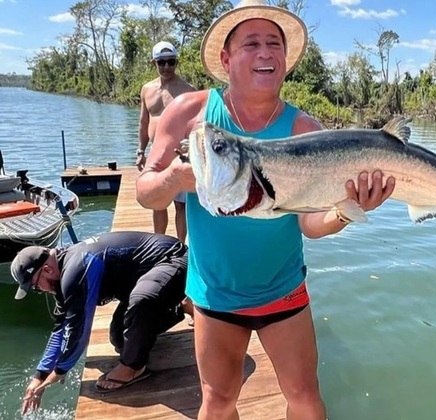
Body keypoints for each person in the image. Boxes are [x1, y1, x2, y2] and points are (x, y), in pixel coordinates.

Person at [136, 1, 395, 419]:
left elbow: (311, 223)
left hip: (283, 291)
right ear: (226, 58)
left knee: (305, 400)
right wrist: (177, 179)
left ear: (285, 60)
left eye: (274, 44)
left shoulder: (306, 131)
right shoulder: (190, 114)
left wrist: (348, 209)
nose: (265, 53)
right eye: (251, 43)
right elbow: (145, 194)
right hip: (215, 293)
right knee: (218, 404)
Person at [11, 232, 191, 415]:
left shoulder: (77, 268)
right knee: (120, 338)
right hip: (149, 277)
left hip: (175, 260)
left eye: (36, 287)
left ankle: (133, 368)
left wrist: (58, 372)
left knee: (142, 301)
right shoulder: (63, 273)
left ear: (47, 270)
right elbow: (61, 329)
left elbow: (78, 331)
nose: (40, 290)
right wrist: (39, 375)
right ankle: (177, 306)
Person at [136, 41, 195, 241]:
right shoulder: (147, 89)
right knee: (157, 201)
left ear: (176, 62)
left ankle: (180, 246)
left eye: (171, 62)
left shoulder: (188, 90)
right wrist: (140, 151)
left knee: (181, 204)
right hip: (155, 151)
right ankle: (158, 244)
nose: (167, 67)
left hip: (178, 151)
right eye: (162, 62)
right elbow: (143, 122)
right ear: (154, 63)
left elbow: (194, 125)